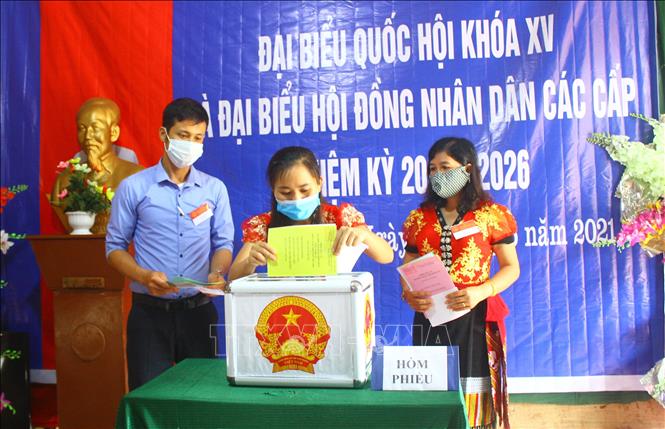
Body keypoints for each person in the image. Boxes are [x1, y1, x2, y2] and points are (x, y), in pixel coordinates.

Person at [106, 97, 234, 390]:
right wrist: (144, 276)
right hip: (149, 314)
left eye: (198, 137)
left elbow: (223, 243)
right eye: (183, 135)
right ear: (164, 135)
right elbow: (114, 249)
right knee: (149, 396)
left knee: (202, 396)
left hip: (198, 312)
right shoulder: (134, 187)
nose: (191, 144)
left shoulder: (214, 189)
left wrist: (217, 273)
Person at [401, 137, 520, 429]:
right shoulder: (419, 219)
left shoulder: (491, 215)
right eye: (432, 168)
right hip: (430, 317)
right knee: (433, 394)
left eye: (445, 167)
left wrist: (481, 291)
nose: (437, 174)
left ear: (467, 169)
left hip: (474, 317)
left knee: (474, 402)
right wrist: (409, 295)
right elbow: (407, 268)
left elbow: (511, 268)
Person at [229, 145, 393, 280]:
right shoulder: (264, 224)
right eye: (286, 193)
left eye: (305, 190)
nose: (297, 199)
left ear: (319, 183)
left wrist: (364, 234)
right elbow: (233, 279)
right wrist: (250, 262)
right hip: (286, 303)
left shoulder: (339, 217)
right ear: (273, 190)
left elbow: (386, 256)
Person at [51, 97, 143, 233]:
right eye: (82, 128)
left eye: (95, 128)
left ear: (113, 133)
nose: (88, 136)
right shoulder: (64, 180)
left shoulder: (137, 176)